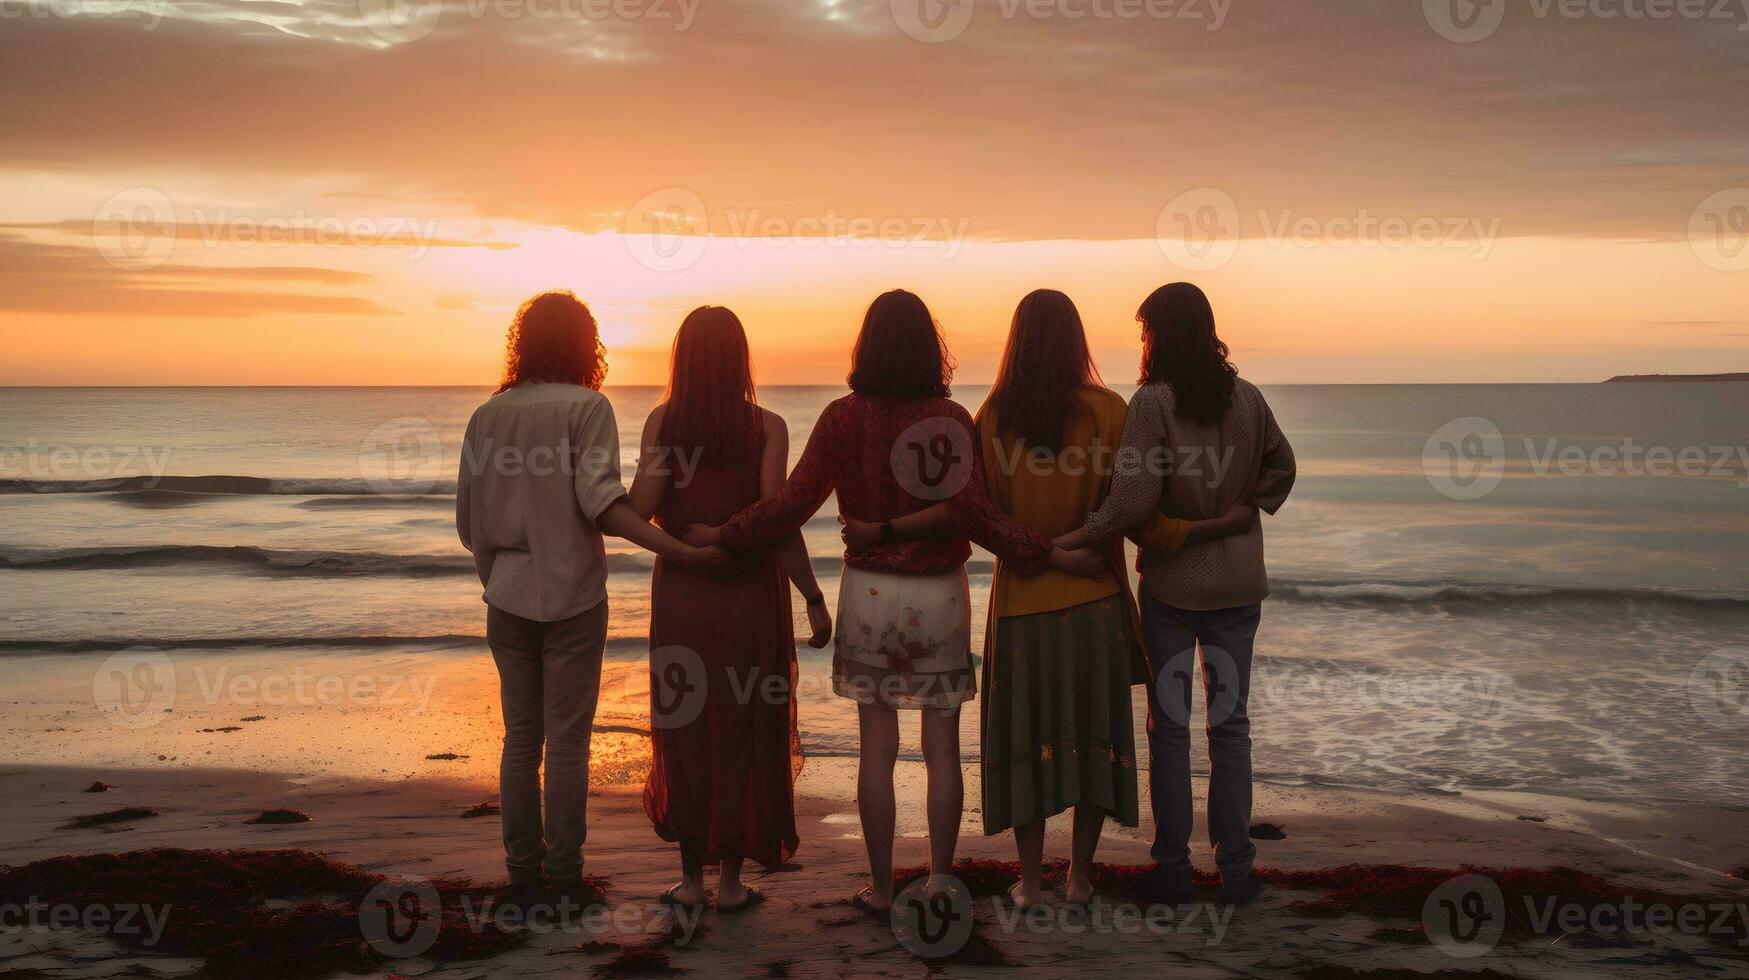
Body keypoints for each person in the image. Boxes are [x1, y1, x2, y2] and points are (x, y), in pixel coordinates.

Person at [682, 289, 1105, 917]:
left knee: (876, 748)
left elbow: (790, 506)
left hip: (869, 596)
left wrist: (721, 534)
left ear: (866, 346)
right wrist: (1051, 553)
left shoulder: (841, 417)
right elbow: (980, 517)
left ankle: (880, 890)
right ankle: (938, 881)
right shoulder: (950, 418)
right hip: (938, 596)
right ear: (929, 349)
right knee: (940, 747)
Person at [844, 289, 1254, 907]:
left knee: (1024, 743)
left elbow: (979, 515)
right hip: (1095, 602)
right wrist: (1206, 525)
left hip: (1021, 607)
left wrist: (1033, 548)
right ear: (1076, 342)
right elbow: (1132, 507)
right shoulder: (1112, 411)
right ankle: (1081, 877)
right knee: (1091, 739)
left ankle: (1032, 883)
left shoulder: (992, 416)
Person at [456, 290, 726, 911]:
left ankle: (522, 875)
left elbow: (470, 523)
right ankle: (564, 876)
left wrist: (497, 578)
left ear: (523, 343)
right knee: (569, 741)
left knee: (521, 739)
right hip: (574, 596)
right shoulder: (588, 407)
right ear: (586, 345)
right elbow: (603, 505)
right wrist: (677, 552)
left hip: (508, 595)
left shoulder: (486, 417)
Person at [1054, 282, 1296, 906]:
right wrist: (1246, 508)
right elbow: (1283, 465)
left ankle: (1173, 869)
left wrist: (1079, 535)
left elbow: (1133, 501)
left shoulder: (1152, 403)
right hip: (1239, 586)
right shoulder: (1248, 398)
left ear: (1159, 334)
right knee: (1230, 727)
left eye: (1145, 331)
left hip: (1172, 587)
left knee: (1169, 730)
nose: (1142, 342)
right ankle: (1237, 871)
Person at [625, 306, 833, 913]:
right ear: (740, 358)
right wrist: (813, 598)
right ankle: (733, 884)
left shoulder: (663, 422)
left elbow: (638, 509)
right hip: (748, 597)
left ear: (680, 359)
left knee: (686, 727)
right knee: (744, 727)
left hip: (685, 595)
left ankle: (691, 880)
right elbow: (776, 519)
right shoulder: (768, 426)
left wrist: (593, 499)